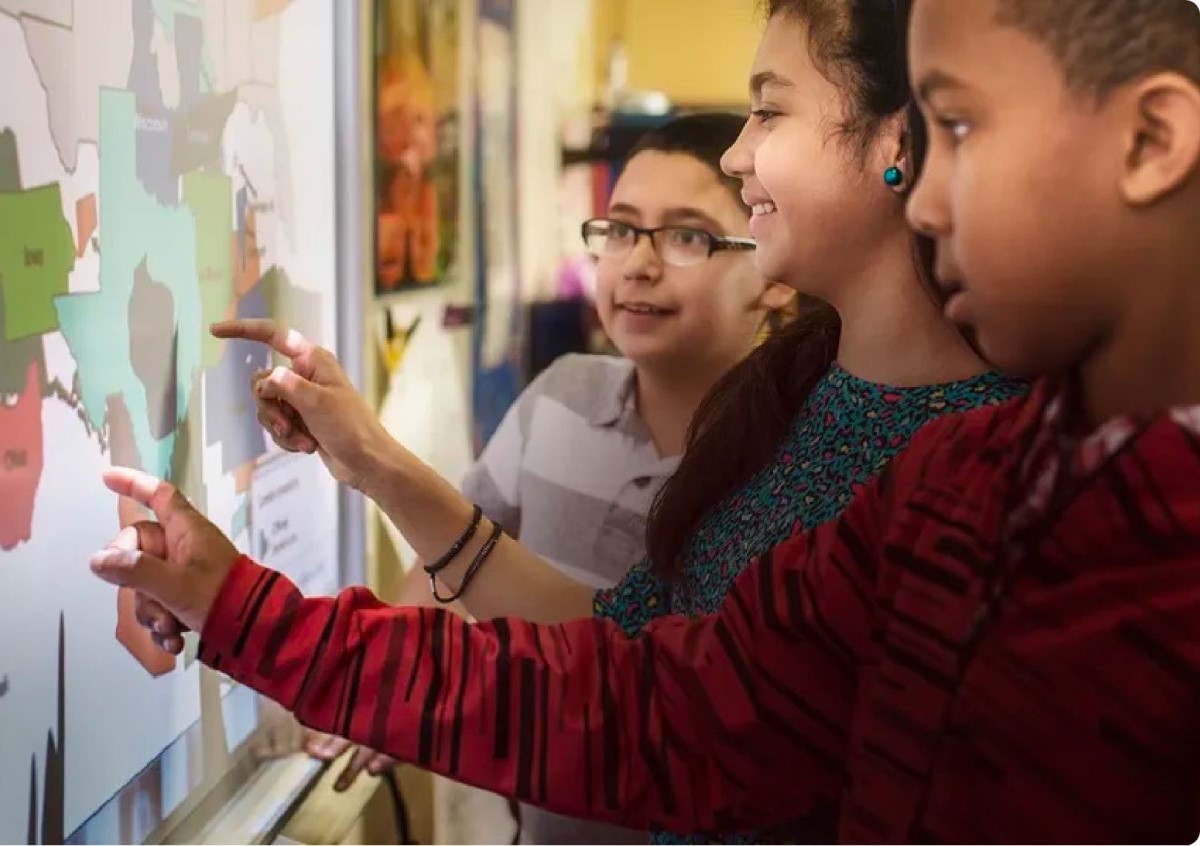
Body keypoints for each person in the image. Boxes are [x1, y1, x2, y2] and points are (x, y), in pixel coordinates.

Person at [91, 0, 1200, 841]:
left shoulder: (1026, 484)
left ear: (1153, 142)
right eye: (619, 230)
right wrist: (244, 604)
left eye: (959, 125)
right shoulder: (952, 471)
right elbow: (656, 699)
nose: (934, 195)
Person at [330, 112, 799, 843]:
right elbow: (448, 552)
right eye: (621, 229)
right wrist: (390, 680)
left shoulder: (797, 460)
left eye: (686, 237)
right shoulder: (561, 394)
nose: (637, 264)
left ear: (775, 272)